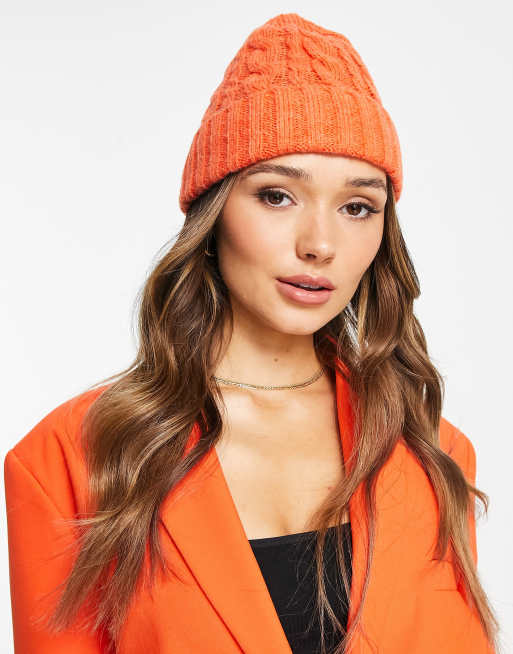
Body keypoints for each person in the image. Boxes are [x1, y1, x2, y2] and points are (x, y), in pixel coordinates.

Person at [4, 12, 500, 654]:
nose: (320, 244)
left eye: (357, 207)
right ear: (212, 214)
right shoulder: (70, 461)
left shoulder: (433, 454)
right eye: (276, 196)